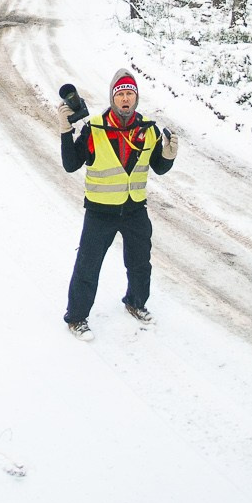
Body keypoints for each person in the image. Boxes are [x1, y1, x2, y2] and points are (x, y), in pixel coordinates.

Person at [56, 68, 177, 340]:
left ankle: (136, 302)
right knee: (87, 266)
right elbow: (70, 164)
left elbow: (158, 167)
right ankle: (76, 318)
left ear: (136, 99)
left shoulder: (148, 129)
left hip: (135, 209)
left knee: (140, 263)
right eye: (120, 94)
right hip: (100, 212)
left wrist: (169, 155)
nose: (125, 99)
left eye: (129, 94)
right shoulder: (95, 127)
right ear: (113, 98)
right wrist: (66, 131)